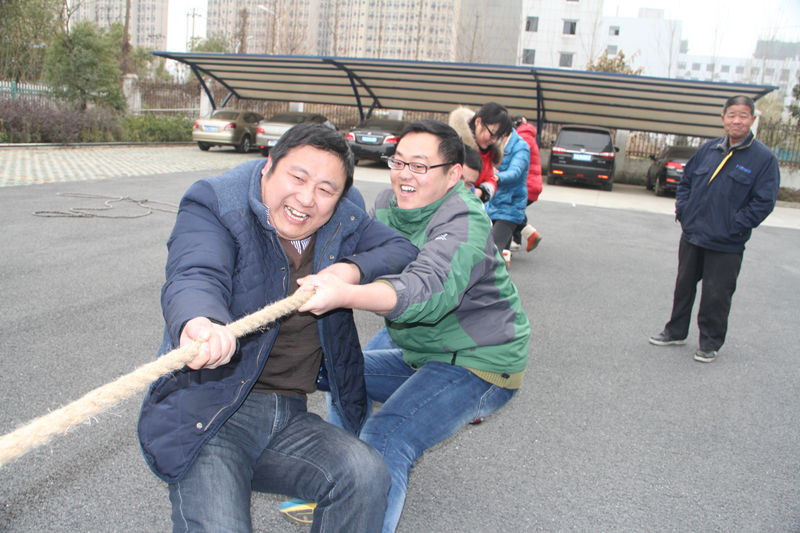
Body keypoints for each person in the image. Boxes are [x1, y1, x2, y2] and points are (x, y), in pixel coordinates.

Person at [137, 122, 419, 533]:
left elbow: (401, 249)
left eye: (326, 190)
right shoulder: (216, 201)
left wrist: (349, 270)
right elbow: (196, 272)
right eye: (297, 178)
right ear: (269, 164)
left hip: (288, 414)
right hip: (209, 414)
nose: (306, 199)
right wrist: (201, 322)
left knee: (365, 474)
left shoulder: (345, 214)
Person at [297, 120, 531, 533]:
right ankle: (345, 481)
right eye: (399, 161)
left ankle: (358, 505)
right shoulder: (387, 204)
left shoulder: (466, 221)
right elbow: (359, 251)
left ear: (453, 174)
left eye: (420, 166)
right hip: (423, 352)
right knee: (334, 370)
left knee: (389, 437)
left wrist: (345, 293)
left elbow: (427, 291)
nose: (405, 174)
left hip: (480, 362)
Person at [649, 95, 780, 363]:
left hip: (726, 242)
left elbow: (764, 202)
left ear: (752, 120)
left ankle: (709, 342)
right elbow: (686, 182)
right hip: (693, 234)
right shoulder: (708, 150)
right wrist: (683, 211)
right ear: (723, 119)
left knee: (717, 294)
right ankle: (675, 331)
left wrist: (736, 226)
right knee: (683, 286)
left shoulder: (763, 159)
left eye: (743, 116)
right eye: (732, 115)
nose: (736, 121)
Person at [450, 102, 530, 267]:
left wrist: (481, 191)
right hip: (451, 211)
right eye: (492, 133)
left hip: (479, 209)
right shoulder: (454, 144)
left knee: (486, 253)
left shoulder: (490, 152)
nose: (493, 140)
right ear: (478, 122)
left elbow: (491, 178)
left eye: (498, 137)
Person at [510, 115, 543, 252]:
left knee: (508, 210)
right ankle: (519, 239)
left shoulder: (523, 137)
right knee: (514, 208)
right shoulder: (527, 135)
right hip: (531, 183)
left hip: (527, 184)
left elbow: (512, 157)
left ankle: (528, 234)